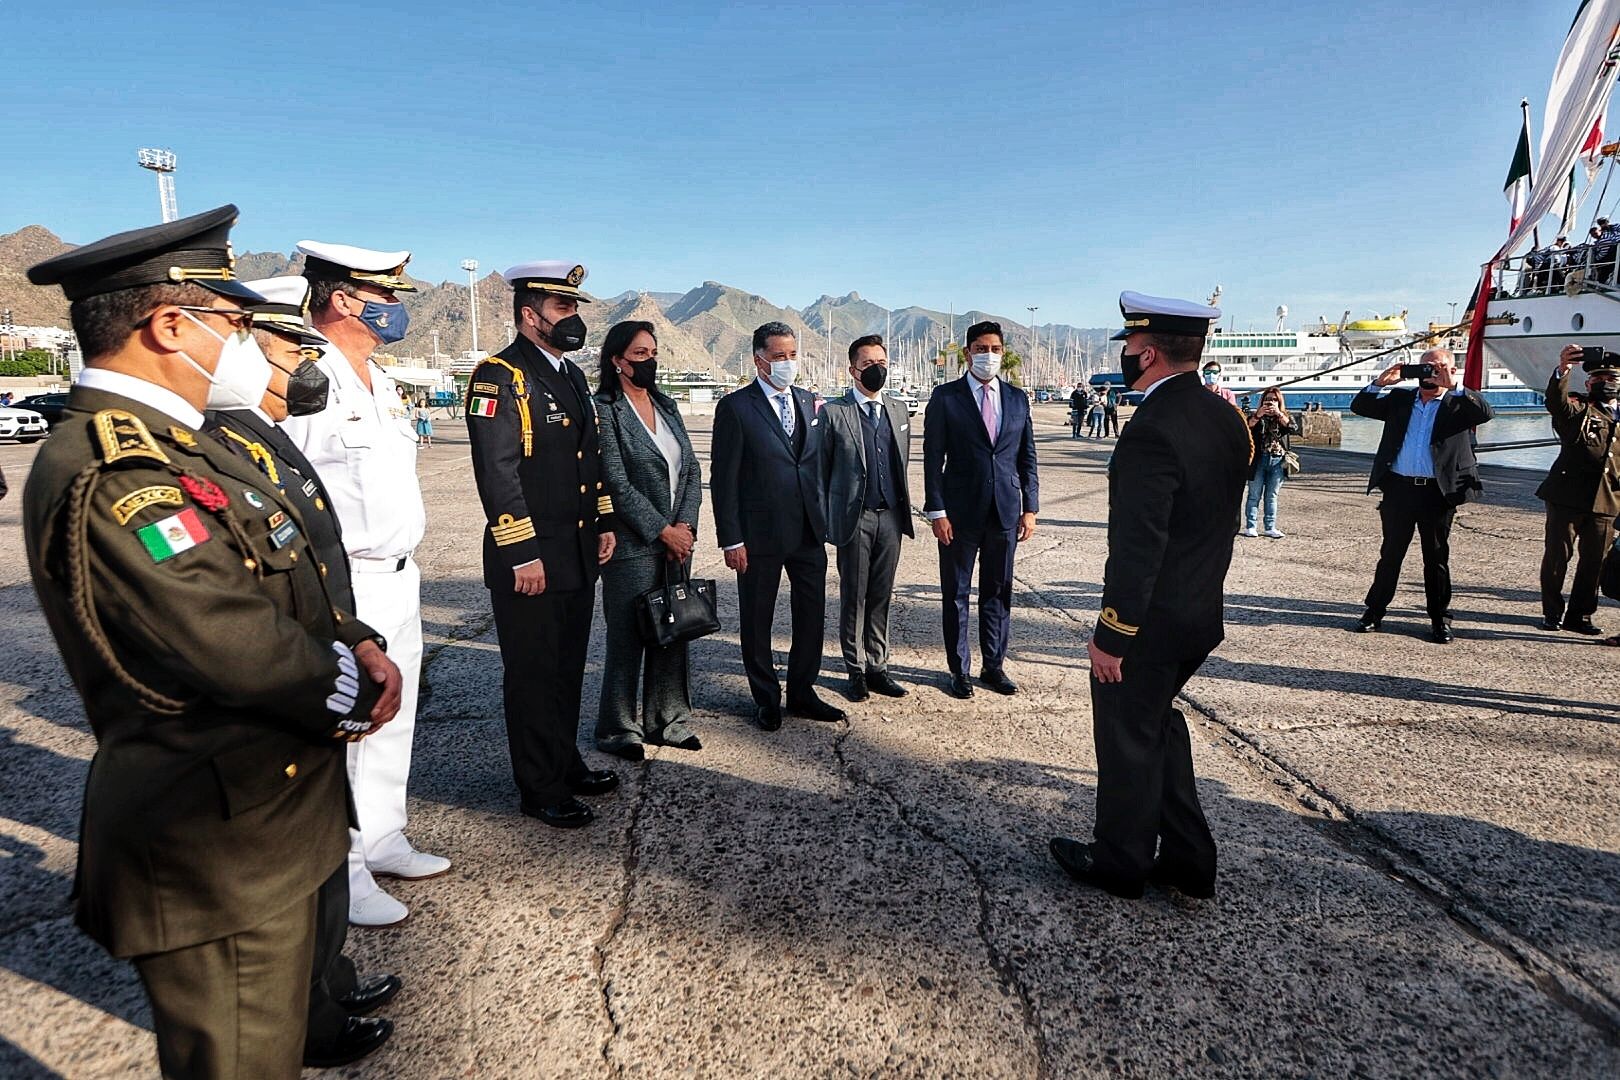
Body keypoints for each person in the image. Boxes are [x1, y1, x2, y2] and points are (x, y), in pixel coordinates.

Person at [21, 206, 403, 1079]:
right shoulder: (115, 465)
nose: (249, 342)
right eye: (232, 324)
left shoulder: (187, 444)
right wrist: (351, 687)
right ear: (169, 326)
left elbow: (293, 562)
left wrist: (356, 638)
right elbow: (224, 634)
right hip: (214, 843)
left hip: (271, 814)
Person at [210, 275, 399, 1068]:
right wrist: (326, 669)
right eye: (290, 348)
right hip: (279, 670)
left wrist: (349, 634)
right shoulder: (197, 439)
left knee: (319, 841)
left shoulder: (261, 431)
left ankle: (325, 989)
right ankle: (305, 1010)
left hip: (335, 621)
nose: (299, 365)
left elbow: (302, 535)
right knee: (279, 880)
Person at [1049, 291, 1250, 900]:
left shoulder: (1151, 431)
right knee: (1156, 727)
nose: (1126, 358)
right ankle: (1190, 860)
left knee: (1127, 739)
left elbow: (1140, 549)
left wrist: (1113, 634)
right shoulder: (1225, 417)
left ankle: (1121, 862)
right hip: (1199, 614)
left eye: (1131, 348)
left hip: (1150, 624)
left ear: (1152, 353)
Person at [281, 240, 449, 928]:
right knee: (349, 726)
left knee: (394, 716)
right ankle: (343, 873)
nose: (398, 308)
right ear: (343, 299)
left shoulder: (378, 380)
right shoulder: (307, 378)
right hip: (346, 585)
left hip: (399, 576)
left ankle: (381, 836)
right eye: (387, 295)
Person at [465, 261, 619, 828]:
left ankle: (565, 761)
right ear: (531, 315)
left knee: (567, 668)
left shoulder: (571, 376)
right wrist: (519, 552)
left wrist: (603, 521)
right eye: (563, 308)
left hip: (575, 551)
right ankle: (539, 786)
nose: (574, 318)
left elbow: (590, 461)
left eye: (577, 307)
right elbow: (497, 471)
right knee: (533, 674)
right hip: (531, 556)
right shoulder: (500, 376)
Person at [710, 321, 844, 730]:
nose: (787, 363)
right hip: (759, 536)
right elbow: (724, 478)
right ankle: (766, 698)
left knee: (811, 615)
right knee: (757, 618)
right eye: (779, 356)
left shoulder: (808, 402)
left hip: (807, 532)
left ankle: (802, 692)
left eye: (792, 355)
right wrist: (731, 538)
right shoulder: (736, 407)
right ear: (759, 360)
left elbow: (817, 464)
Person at [593, 320, 703, 758]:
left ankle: (669, 720)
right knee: (627, 638)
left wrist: (686, 527)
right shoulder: (605, 409)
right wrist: (662, 530)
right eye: (640, 354)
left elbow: (691, 470)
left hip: (679, 541)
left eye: (653, 353)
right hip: (634, 545)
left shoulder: (667, 405)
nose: (650, 361)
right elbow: (615, 482)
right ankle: (618, 729)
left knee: (674, 631)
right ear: (618, 361)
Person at [922, 320, 1040, 700]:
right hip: (959, 514)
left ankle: (994, 665)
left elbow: (1027, 458)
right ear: (968, 352)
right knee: (956, 593)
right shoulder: (946, 397)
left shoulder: (1018, 399)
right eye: (981, 348)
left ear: (1002, 353)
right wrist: (937, 510)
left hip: (1005, 511)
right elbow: (932, 459)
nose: (988, 355)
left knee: (998, 590)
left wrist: (1030, 507)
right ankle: (959, 670)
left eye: (995, 349)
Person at [1350, 348, 1493, 643]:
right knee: (1390, 554)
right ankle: (1374, 612)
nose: (1430, 373)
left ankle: (1440, 619)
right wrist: (1381, 382)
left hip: (1437, 493)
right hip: (1399, 489)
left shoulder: (1458, 403)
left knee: (1436, 557)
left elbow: (1485, 412)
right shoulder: (1401, 399)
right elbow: (1360, 407)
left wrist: (1453, 385)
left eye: (1437, 367)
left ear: (1451, 370)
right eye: (1425, 367)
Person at [819, 334, 914, 702]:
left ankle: (878, 666)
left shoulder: (898, 410)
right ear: (853, 369)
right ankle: (854, 668)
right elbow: (822, 473)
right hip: (854, 519)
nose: (876, 370)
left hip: (891, 517)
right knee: (854, 596)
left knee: (881, 596)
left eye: (881, 363)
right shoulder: (833, 413)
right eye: (868, 364)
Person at [1536, 345, 1620, 633]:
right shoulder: (1578, 410)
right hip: (1567, 497)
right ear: (1588, 384)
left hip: (1607, 500)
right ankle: (1551, 612)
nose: (1606, 384)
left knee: (1594, 563)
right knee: (1558, 557)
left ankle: (1580, 615)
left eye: (1611, 379)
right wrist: (1563, 370)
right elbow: (1556, 403)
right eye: (1599, 380)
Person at [1241, 386, 1297, 539]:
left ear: (1279, 401)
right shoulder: (1256, 416)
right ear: (1262, 401)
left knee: (1272, 495)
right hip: (1259, 460)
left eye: (1274, 400)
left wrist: (1279, 414)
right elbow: (1247, 426)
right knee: (1254, 494)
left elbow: (1294, 428)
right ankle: (1251, 526)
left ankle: (1270, 527)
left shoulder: (1284, 416)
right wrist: (1258, 415)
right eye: (1267, 400)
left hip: (1278, 461)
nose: (1270, 403)